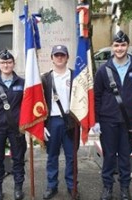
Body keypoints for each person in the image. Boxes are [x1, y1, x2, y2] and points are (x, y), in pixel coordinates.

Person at [92, 31, 132, 200]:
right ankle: (107, 187)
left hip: (130, 121)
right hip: (108, 121)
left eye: (123, 45)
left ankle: (125, 187)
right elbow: (97, 96)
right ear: (112, 47)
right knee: (109, 156)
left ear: (127, 46)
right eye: (116, 45)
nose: (119, 48)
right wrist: (97, 120)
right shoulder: (103, 70)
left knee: (125, 157)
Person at [0, 50, 27, 200]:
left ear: (13, 64)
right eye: (3, 62)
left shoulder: (22, 83)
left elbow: (28, 106)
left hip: (16, 128)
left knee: (19, 159)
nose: (6, 65)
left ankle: (18, 187)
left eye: (9, 62)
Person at [41, 44, 80, 199]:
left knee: (72, 157)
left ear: (67, 57)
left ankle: (72, 185)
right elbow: (40, 105)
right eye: (56, 55)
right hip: (52, 122)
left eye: (62, 55)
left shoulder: (76, 76)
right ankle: (52, 186)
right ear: (52, 58)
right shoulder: (45, 79)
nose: (59, 58)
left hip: (71, 121)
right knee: (52, 156)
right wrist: (42, 125)